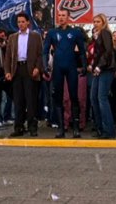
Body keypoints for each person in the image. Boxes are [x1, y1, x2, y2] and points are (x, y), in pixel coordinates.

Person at [43, 9, 87, 138]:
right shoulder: (52, 32)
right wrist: (45, 66)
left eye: (63, 15)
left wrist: (84, 65)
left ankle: (76, 128)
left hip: (71, 67)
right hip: (58, 68)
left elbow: (83, 51)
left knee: (74, 97)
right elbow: (45, 51)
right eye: (59, 15)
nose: (61, 17)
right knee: (58, 97)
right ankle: (61, 128)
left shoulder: (75, 32)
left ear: (68, 17)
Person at [4, 12, 44, 137]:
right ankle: (18, 127)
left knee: (31, 100)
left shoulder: (35, 36)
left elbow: (40, 54)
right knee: (18, 100)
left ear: (28, 22)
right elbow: (8, 57)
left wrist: (38, 68)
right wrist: (7, 72)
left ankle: (32, 127)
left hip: (30, 69)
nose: (20, 24)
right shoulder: (12, 37)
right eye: (18, 22)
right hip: (17, 69)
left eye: (22, 21)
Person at [89, 14, 116, 139]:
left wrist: (99, 66)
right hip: (97, 69)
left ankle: (108, 130)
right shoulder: (96, 36)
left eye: (98, 21)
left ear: (103, 22)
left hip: (105, 69)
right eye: (94, 21)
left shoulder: (105, 33)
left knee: (101, 98)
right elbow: (96, 54)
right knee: (93, 97)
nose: (95, 23)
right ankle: (100, 128)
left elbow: (108, 51)